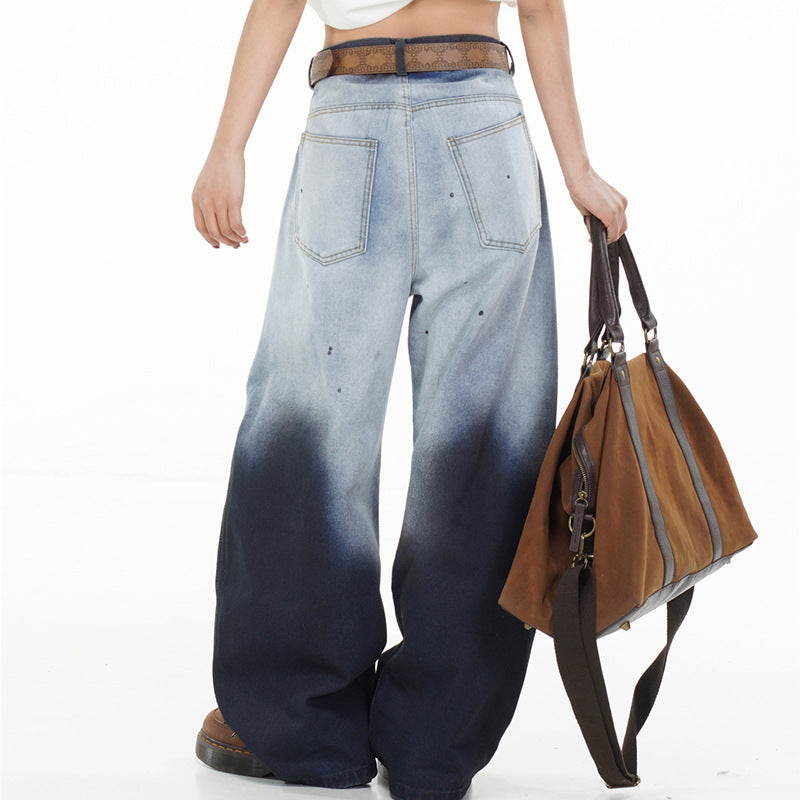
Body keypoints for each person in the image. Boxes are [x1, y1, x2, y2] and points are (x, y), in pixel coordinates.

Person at [190, 2, 628, 799]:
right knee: (482, 447)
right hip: (484, 131)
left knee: (311, 432)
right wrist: (577, 171)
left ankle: (301, 720)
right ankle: (437, 741)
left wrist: (228, 148)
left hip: (350, 125)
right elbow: (539, 9)